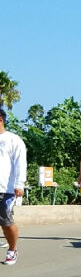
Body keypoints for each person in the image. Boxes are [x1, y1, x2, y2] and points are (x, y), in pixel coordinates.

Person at [0, 107, 27, 266]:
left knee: (6, 222)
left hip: (7, 189)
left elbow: (20, 164)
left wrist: (19, 185)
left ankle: (12, 249)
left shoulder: (13, 140)